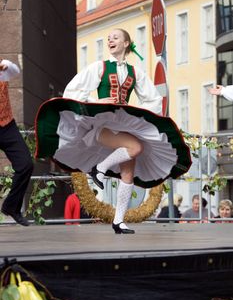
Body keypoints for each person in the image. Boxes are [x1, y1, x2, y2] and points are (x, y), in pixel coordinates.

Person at [35, 28, 192, 234]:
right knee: (135, 147)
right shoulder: (99, 67)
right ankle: (99, 168)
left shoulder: (135, 72)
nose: (111, 40)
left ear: (126, 43)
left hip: (123, 123)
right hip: (102, 123)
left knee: (128, 171)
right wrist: (96, 101)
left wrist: (146, 120)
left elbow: (153, 99)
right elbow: (72, 91)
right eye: (109, 39)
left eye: (115, 38)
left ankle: (119, 221)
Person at [0, 59, 33, 226]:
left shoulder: (2, 68)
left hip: (6, 125)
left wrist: (7, 64)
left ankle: (11, 207)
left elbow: (15, 71)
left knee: (26, 164)